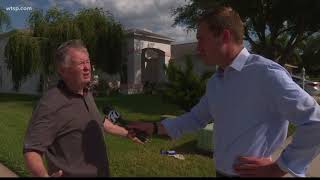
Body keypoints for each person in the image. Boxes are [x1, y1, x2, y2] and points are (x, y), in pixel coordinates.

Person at [127, 6, 320, 177]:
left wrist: (278, 168)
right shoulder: (216, 82)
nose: (198, 47)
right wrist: (153, 127)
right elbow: (195, 118)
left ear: (225, 36)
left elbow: (315, 121)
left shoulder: (265, 75)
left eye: (202, 39)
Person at [23, 39, 141, 177]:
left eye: (88, 62)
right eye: (80, 63)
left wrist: (127, 133)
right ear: (63, 70)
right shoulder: (50, 103)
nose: (87, 68)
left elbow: (99, 122)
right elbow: (31, 150)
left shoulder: (85, 93)